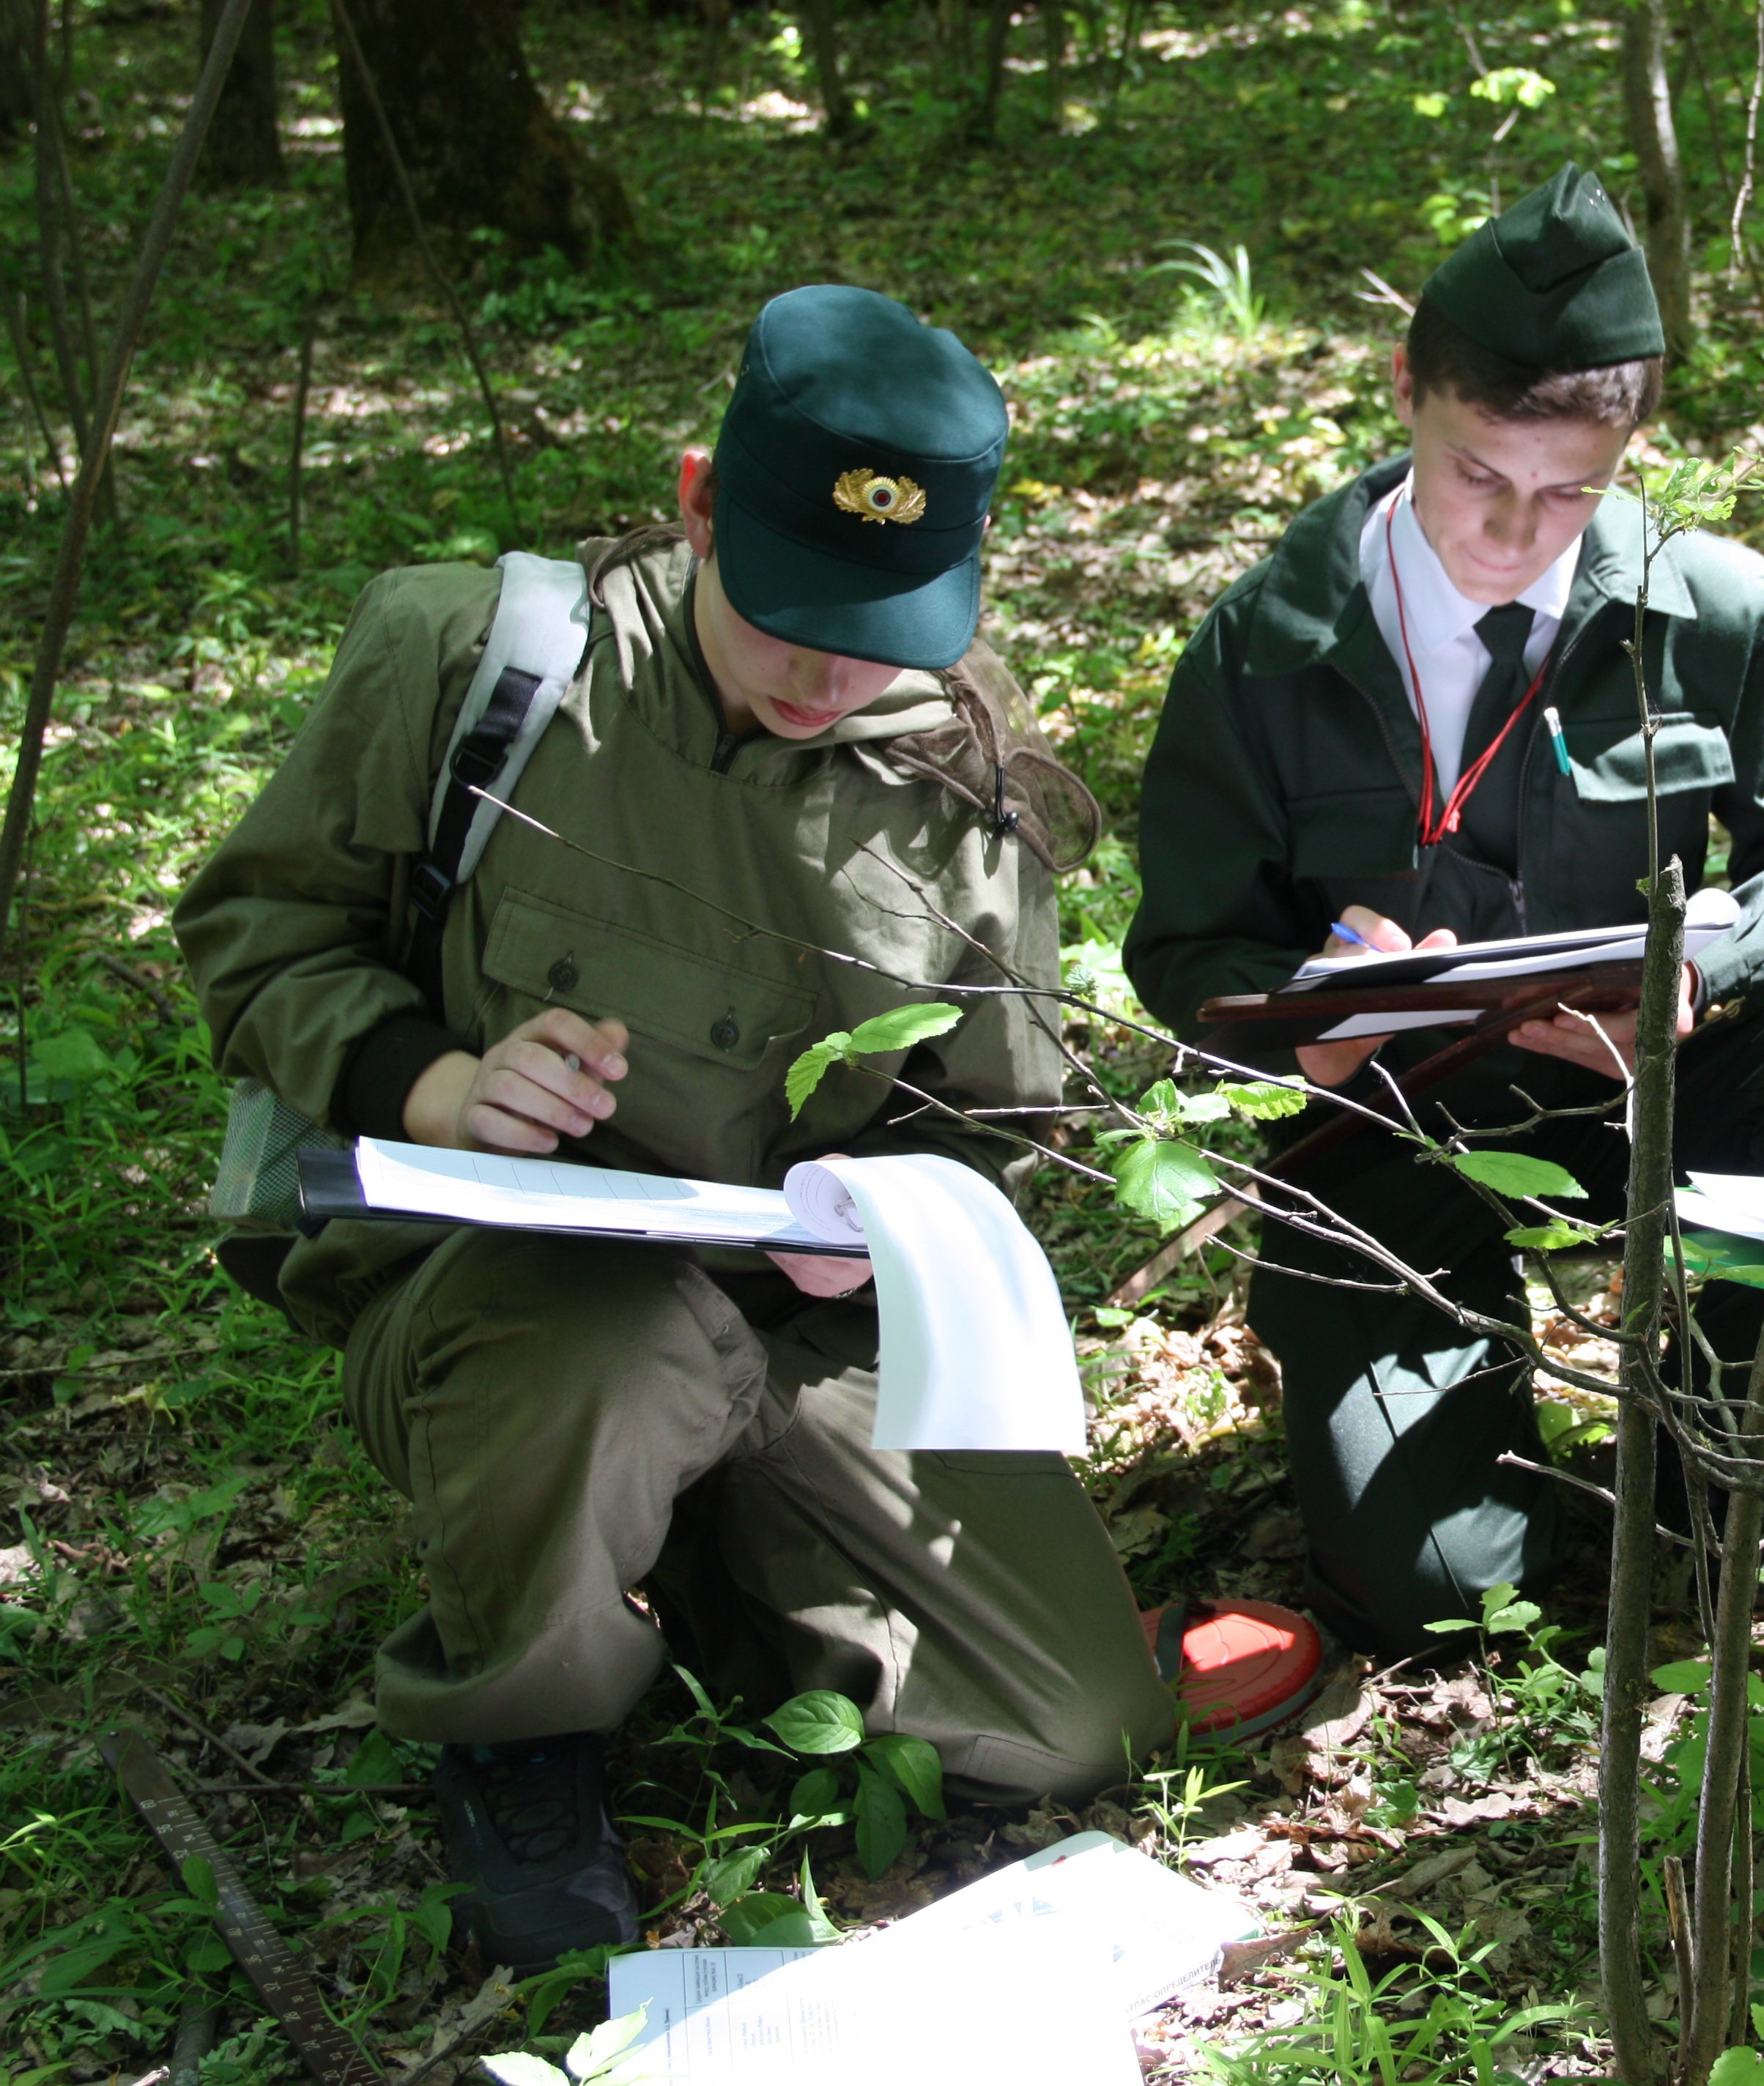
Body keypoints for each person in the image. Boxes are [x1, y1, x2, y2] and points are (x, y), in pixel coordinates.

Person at [176, 286, 1176, 1969]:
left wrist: (882, 1214)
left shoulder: (966, 782)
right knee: (603, 1356)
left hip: (796, 1329)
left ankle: (684, 1547)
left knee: (1072, 1719)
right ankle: (525, 1718)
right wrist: (435, 1080)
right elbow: (258, 933)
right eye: (790, 606)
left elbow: (1004, 1124)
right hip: (495, 1298)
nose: (829, 669)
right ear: (704, 495)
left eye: (883, 620)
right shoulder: (478, 662)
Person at [1125, 165, 1764, 1654]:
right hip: (1384, 1133)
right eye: (1477, 475)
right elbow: (1185, 953)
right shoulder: (1268, 645)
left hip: (1651, 1088)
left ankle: (1726, 1481)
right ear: (1406, 393)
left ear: (1631, 446)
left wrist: (1690, 979)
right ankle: (1480, 1467)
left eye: (1573, 489)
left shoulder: (1710, 612)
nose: (1519, 529)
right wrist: (1306, 1019)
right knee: (1445, 1599)